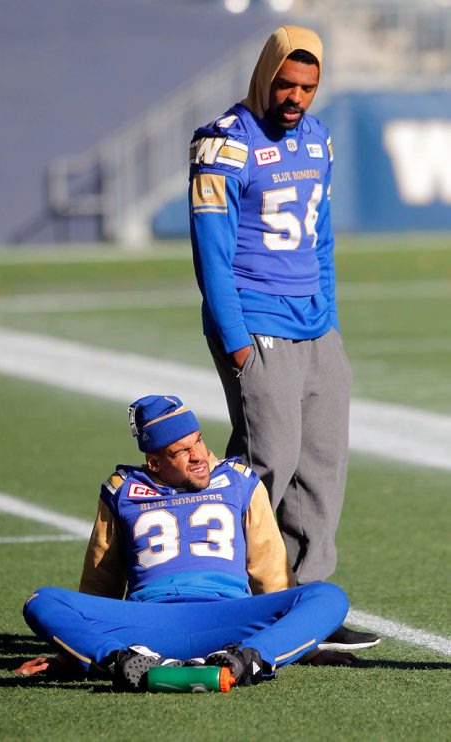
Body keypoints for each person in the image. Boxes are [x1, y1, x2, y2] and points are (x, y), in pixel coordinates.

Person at [188, 25, 379, 650]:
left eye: (308, 86)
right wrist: (236, 339)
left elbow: (320, 238)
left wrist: (330, 318)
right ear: (264, 75)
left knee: (322, 469)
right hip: (255, 320)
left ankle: (306, 604)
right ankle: (224, 597)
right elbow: (212, 253)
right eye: (286, 84)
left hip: (314, 325)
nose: (296, 97)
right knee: (269, 461)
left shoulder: (318, 139)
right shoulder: (223, 143)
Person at [15, 394, 356, 691]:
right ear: (154, 462)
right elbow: (100, 580)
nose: (199, 456)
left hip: (228, 618)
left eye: (198, 441)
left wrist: (304, 645)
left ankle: (244, 660)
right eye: (181, 451)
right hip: (150, 622)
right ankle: (123, 662)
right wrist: (73, 652)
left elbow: (271, 573)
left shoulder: (240, 482)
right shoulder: (121, 491)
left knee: (328, 596)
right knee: (40, 601)